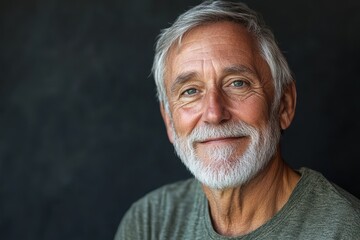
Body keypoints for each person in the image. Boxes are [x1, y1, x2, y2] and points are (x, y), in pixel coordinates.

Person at [114, 1, 360, 239]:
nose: (214, 113)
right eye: (190, 91)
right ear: (169, 121)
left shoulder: (346, 230)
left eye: (237, 83)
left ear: (284, 105)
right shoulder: (148, 223)